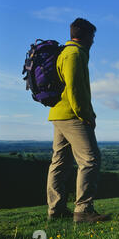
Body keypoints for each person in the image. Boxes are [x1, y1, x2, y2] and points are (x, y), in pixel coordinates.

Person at [46, 18, 109, 223]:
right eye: (93, 36)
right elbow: (74, 89)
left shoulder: (66, 52)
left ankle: (56, 210)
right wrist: (86, 115)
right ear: (86, 36)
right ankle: (83, 210)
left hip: (59, 114)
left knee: (60, 162)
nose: (94, 41)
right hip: (72, 115)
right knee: (90, 160)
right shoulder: (73, 54)